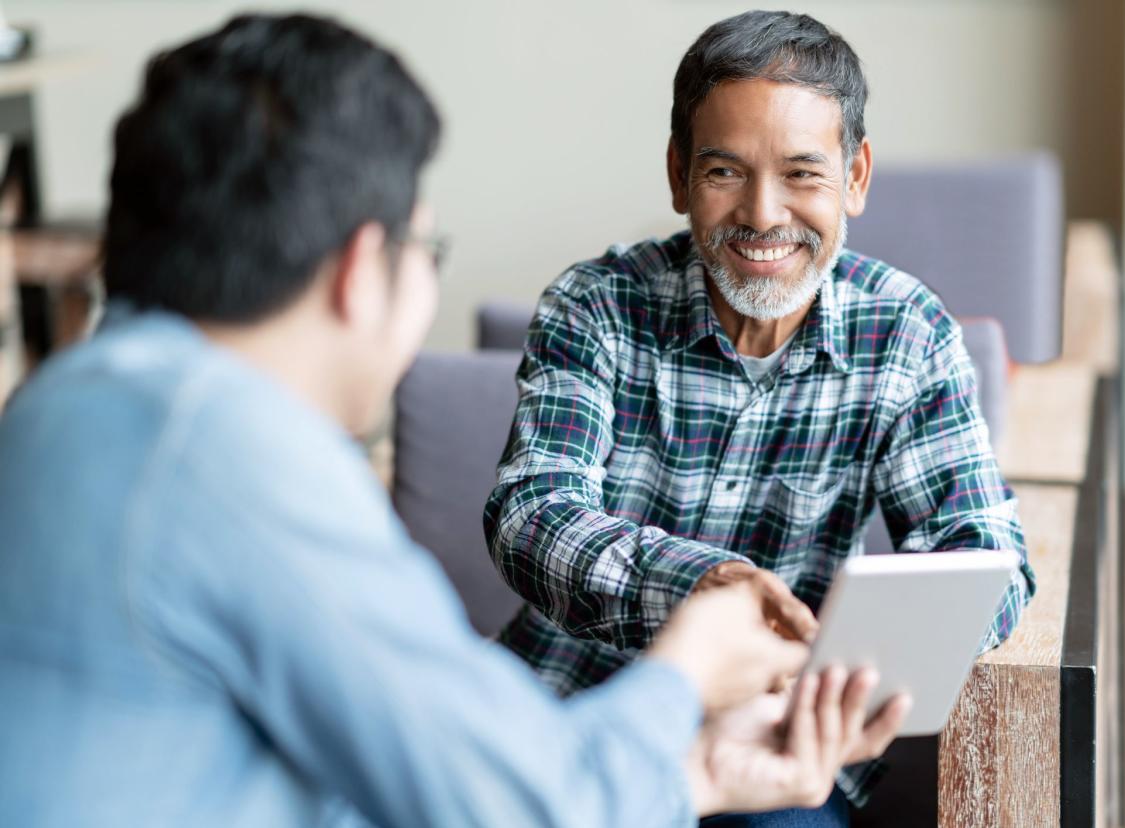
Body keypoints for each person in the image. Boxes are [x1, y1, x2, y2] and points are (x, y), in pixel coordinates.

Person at [0, 14, 903, 827]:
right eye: (423, 248)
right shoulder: (238, 463)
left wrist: (696, 768)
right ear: (365, 268)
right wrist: (685, 671)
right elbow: (528, 805)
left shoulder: (58, 406)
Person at [484, 10, 1038, 826]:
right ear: (677, 176)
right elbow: (531, 515)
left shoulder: (906, 333)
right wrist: (703, 587)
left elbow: (987, 559)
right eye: (723, 173)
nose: (763, 214)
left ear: (855, 176)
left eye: (802, 174)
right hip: (575, 714)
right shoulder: (594, 306)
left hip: (784, 740)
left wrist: (847, 661)